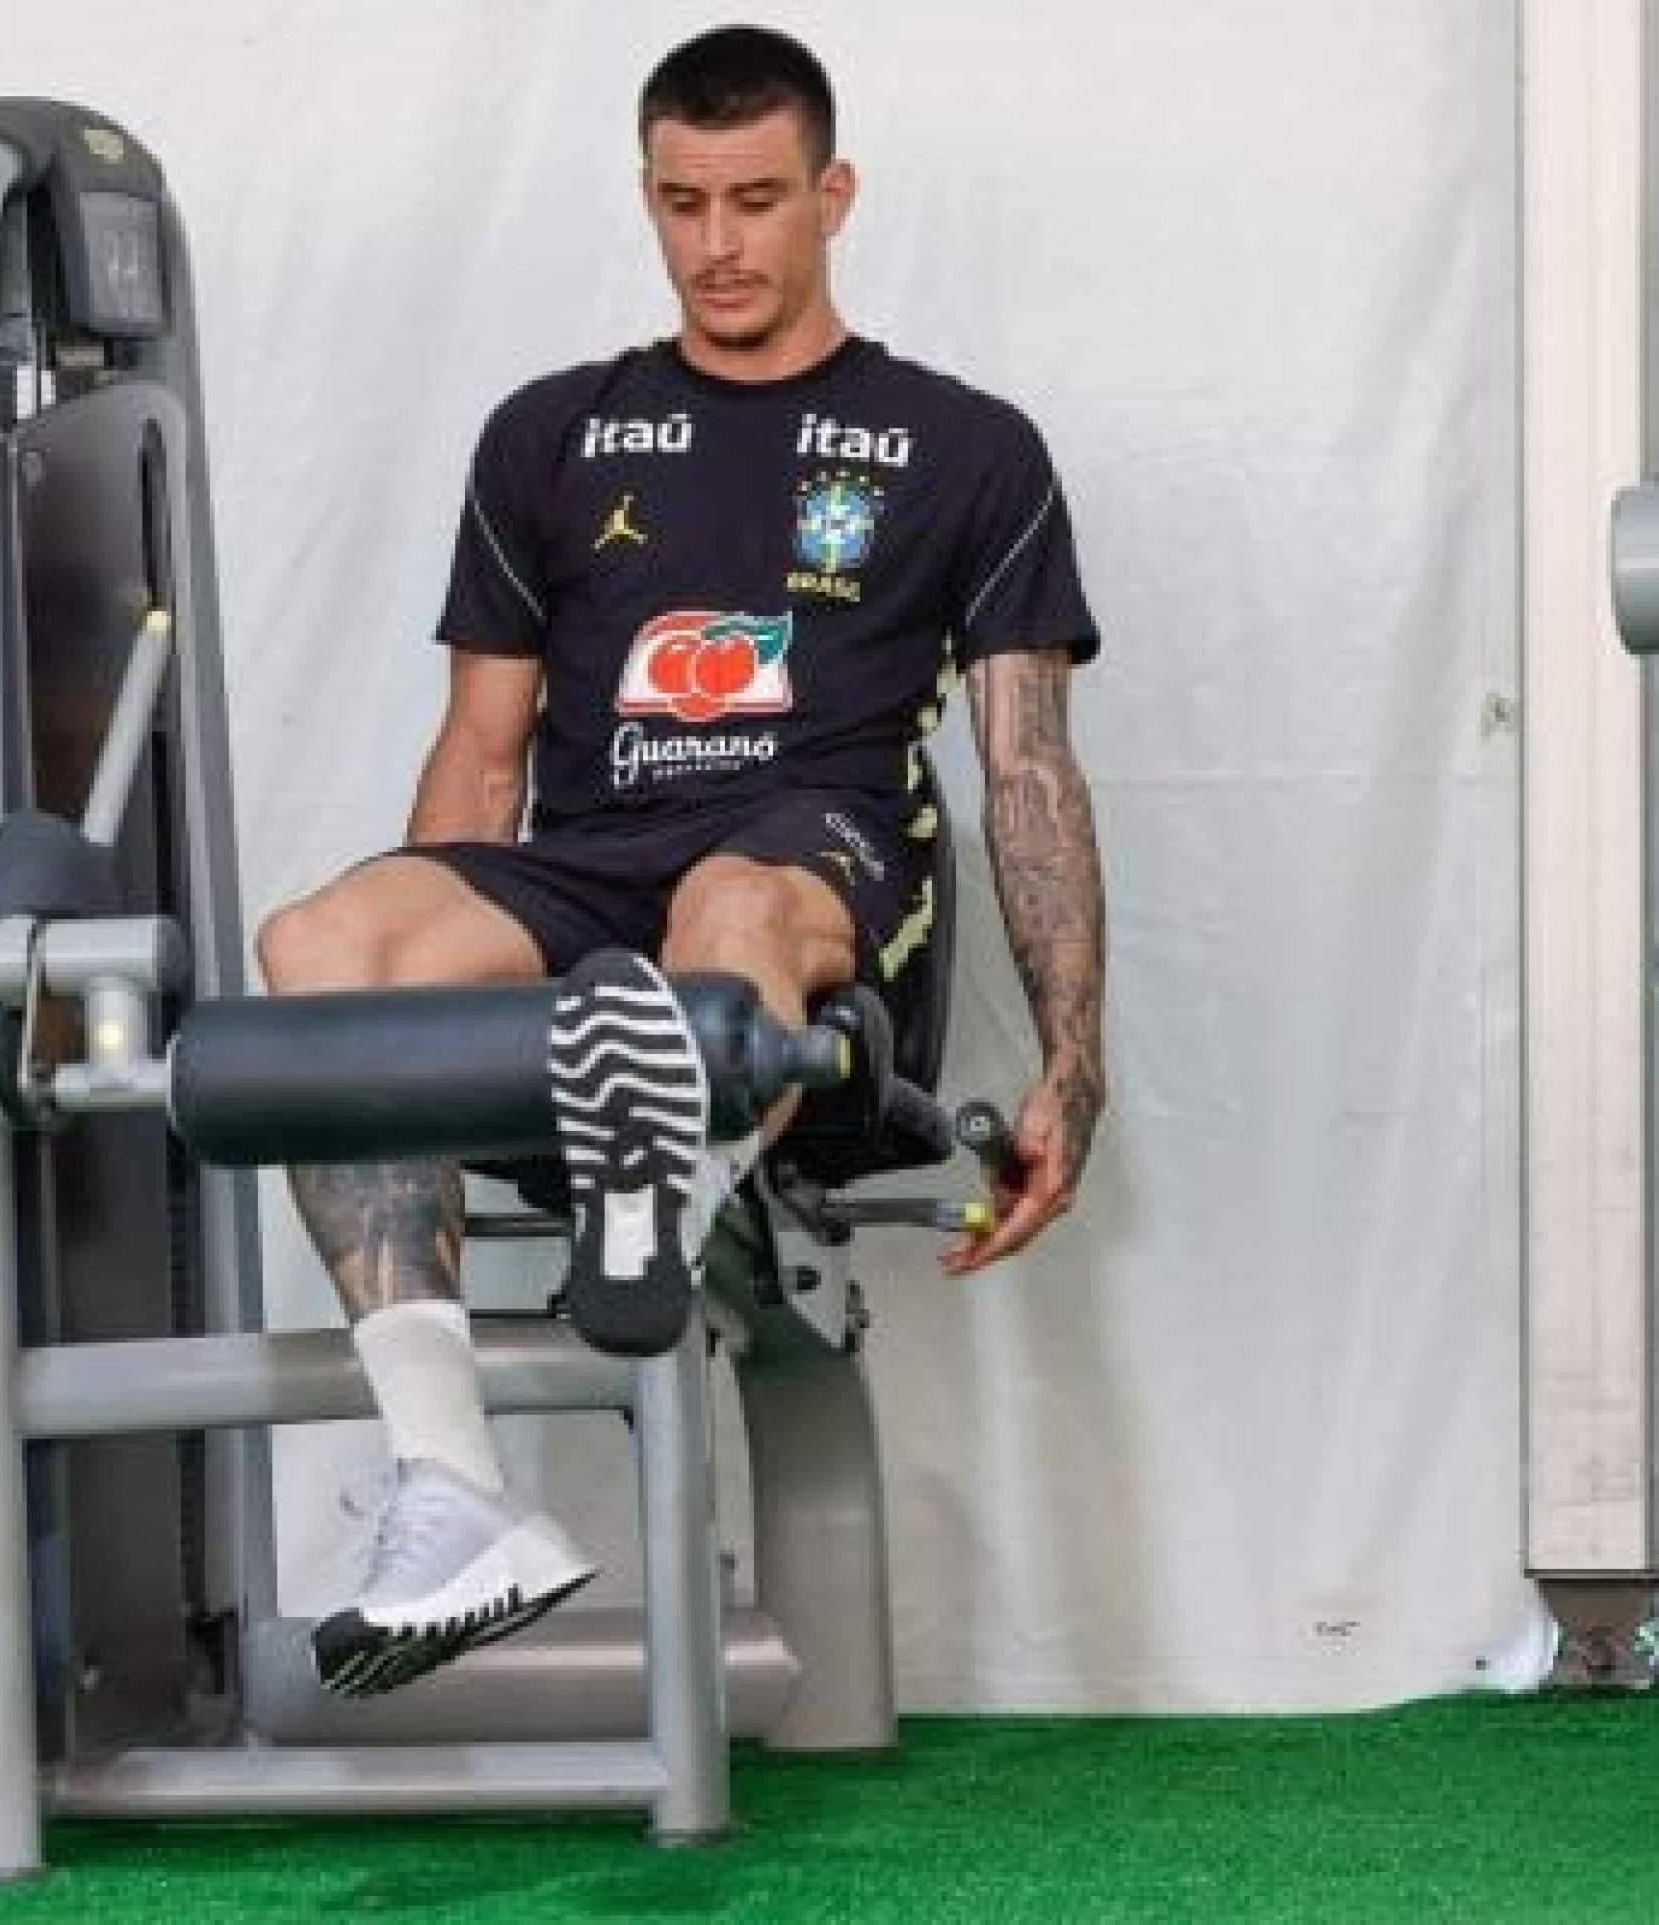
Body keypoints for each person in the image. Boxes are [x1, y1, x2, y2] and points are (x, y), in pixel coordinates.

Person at [257, 23, 1108, 1697]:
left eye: (756, 200)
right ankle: (453, 1486)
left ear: (832, 196)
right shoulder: (548, 436)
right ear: (646, 197)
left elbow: (1028, 772)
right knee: (317, 944)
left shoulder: (964, 448)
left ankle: (669, 1181)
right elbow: (481, 753)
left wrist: (1075, 1062)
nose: (717, 243)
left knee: (728, 904)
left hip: (819, 852)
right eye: (682, 202)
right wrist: (426, 1053)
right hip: (588, 865)